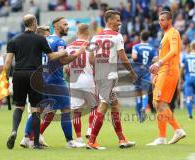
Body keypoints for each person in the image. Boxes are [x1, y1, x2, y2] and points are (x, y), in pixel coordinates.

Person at [4, 14, 84, 149]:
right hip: (56, 81)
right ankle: (70, 141)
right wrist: (76, 53)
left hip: (39, 79)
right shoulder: (58, 42)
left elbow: (8, 62)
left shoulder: (43, 39)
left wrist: (5, 78)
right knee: (65, 109)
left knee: (36, 110)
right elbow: (60, 60)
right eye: (64, 24)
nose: (67, 27)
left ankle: (24, 138)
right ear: (56, 26)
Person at [87, 10, 137, 149]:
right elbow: (123, 57)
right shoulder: (117, 36)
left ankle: (122, 139)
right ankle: (91, 141)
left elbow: (91, 58)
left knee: (114, 105)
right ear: (109, 21)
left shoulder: (95, 37)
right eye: (117, 20)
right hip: (109, 76)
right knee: (103, 106)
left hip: (100, 75)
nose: (119, 22)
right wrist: (131, 72)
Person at [148, 11, 186, 146]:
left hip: (169, 71)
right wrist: (157, 72)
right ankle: (163, 137)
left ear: (170, 21)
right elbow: (165, 54)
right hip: (164, 71)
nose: (160, 22)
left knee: (159, 103)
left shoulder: (173, 33)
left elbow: (174, 51)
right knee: (157, 103)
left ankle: (176, 130)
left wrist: (159, 63)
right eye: (159, 20)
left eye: (163, 20)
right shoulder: (165, 35)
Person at [66, 24, 98, 146]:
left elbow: (66, 68)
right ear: (87, 33)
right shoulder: (91, 45)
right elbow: (93, 62)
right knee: (94, 107)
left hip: (74, 81)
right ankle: (90, 128)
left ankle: (79, 139)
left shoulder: (69, 46)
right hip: (88, 79)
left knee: (76, 111)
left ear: (77, 33)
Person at [131, 30, 158, 122]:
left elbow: (134, 57)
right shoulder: (152, 48)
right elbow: (155, 59)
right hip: (147, 72)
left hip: (138, 72)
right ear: (148, 38)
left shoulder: (136, 47)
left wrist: (139, 58)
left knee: (138, 93)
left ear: (140, 37)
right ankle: (143, 107)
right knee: (145, 93)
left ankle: (139, 114)